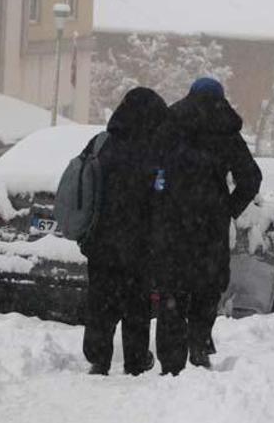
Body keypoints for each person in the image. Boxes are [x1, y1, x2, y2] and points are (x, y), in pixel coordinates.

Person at [150, 77, 261, 375]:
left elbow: (150, 168)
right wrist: (228, 208)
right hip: (210, 226)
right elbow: (251, 178)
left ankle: (171, 361)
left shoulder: (170, 126)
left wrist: (160, 200)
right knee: (206, 288)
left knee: (171, 290)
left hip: (173, 223)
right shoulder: (227, 133)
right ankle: (199, 346)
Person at [81, 87, 168, 376]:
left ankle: (98, 357)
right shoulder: (155, 153)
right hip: (139, 245)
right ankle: (135, 360)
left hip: (101, 241)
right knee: (137, 304)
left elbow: (85, 186)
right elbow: (162, 200)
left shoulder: (101, 144)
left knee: (100, 300)